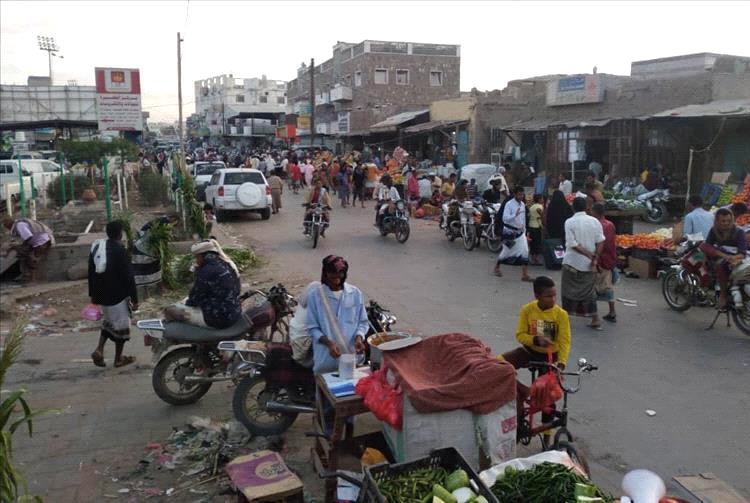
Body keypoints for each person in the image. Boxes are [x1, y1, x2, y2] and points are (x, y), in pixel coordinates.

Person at [499, 276, 571, 422]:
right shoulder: (527, 310)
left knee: (547, 397)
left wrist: (561, 364)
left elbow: (565, 341)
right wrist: (536, 339)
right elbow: (520, 335)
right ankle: (521, 392)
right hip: (529, 352)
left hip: (550, 358)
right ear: (537, 296)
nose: (553, 299)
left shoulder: (561, 315)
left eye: (554, 295)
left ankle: (547, 436)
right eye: (548, 296)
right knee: (498, 364)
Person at [306, 256, 369, 374]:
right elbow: (312, 327)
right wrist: (329, 344)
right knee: (325, 388)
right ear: (325, 273)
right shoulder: (315, 296)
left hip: (351, 357)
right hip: (326, 359)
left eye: (340, 273)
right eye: (332, 273)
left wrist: (359, 338)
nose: (337, 277)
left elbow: (363, 322)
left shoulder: (355, 293)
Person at [88, 221, 138, 368]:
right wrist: (135, 299)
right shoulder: (120, 250)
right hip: (118, 295)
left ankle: (99, 349)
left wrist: (93, 295)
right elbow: (129, 277)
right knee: (121, 327)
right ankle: (118, 358)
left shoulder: (98, 248)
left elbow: (91, 272)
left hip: (103, 296)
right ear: (120, 233)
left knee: (109, 323)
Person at [163, 239, 241, 328]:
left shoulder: (206, 271)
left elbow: (194, 299)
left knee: (170, 310)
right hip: (234, 312)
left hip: (218, 318)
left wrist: (185, 303)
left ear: (202, 255)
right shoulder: (228, 264)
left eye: (196, 257)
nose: (196, 260)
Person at [562, 197, 605, 330]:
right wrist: (595, 257)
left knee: (568, 292)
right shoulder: (595, 222)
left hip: (572, 262)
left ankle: (566, 319)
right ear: (586, 207)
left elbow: (572, 244)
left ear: (573, 207)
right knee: (589, 293)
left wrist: (589, 255)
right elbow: (601, 241)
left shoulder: (569, 222)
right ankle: (595, 318)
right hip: (589, 265)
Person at [700, 208, 747, 309]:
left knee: (720, 266)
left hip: (736, 258)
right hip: (723, 255)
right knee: (703, 246)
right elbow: (707, 245)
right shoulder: (714, 230)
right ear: (717, 221)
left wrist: (733, 258)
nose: (726, 223)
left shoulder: (739, 232)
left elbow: (742, 252)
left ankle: (723, 295)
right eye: (723, 221)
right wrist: (724, 256)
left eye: (729, 221)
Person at [494, 186, 533, 281]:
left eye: (522, 195)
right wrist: (514, 215)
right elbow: (505, 219)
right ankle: (497, 267)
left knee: (525, 251)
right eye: (519, 194)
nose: (521, 196)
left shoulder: (523, 204)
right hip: (509, 232)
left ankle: (524, 274)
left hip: (520, 232)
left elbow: (523, 219)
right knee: (506, 251)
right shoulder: (509, 204)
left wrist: (525, 232)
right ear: (514, 194)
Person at [3, 216, 55, 283]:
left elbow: (28, 237)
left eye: (5, 226)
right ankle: (27, 277)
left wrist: (23, 247)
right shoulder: (19, 224)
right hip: (40, 242)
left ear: (8, 225)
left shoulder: (19, 225)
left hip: (42, 243)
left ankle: (31, 279)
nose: (6, 228)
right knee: (23, 253)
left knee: (29, 258)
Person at [591, 203, 618, 323]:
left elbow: (598, 243)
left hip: (600, 259)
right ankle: (612, 311)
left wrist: (595, 258)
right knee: (608, 286)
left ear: (595, 212)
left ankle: (594, 315)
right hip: (609, 259)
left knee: (593, 287)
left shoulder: (596, 225)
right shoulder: (610, 224)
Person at [528, 194, 544, 266]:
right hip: (537, 227)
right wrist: (542, 216)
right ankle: (535, 259)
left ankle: (532, 258)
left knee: (532, 243)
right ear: (539, 199)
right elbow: (540, 212)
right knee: (537, 243)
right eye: (542, 198)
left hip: (531, 226)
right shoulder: (539, 206)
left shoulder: (532, 207)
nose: (543, 200)